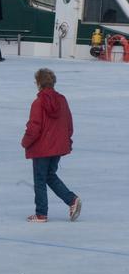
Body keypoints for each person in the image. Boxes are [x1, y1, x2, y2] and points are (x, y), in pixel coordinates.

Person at [22, 68, 81, 223]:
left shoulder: (38, 102)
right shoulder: (62, 100)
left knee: (40, 179)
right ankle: (71, 200)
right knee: (49, 176)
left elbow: (34, 127)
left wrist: (25, 142)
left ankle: (41, 213)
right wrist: (66, 140)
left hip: (41, 148)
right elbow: (69, 123)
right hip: (58, 147)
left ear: (38, 83)